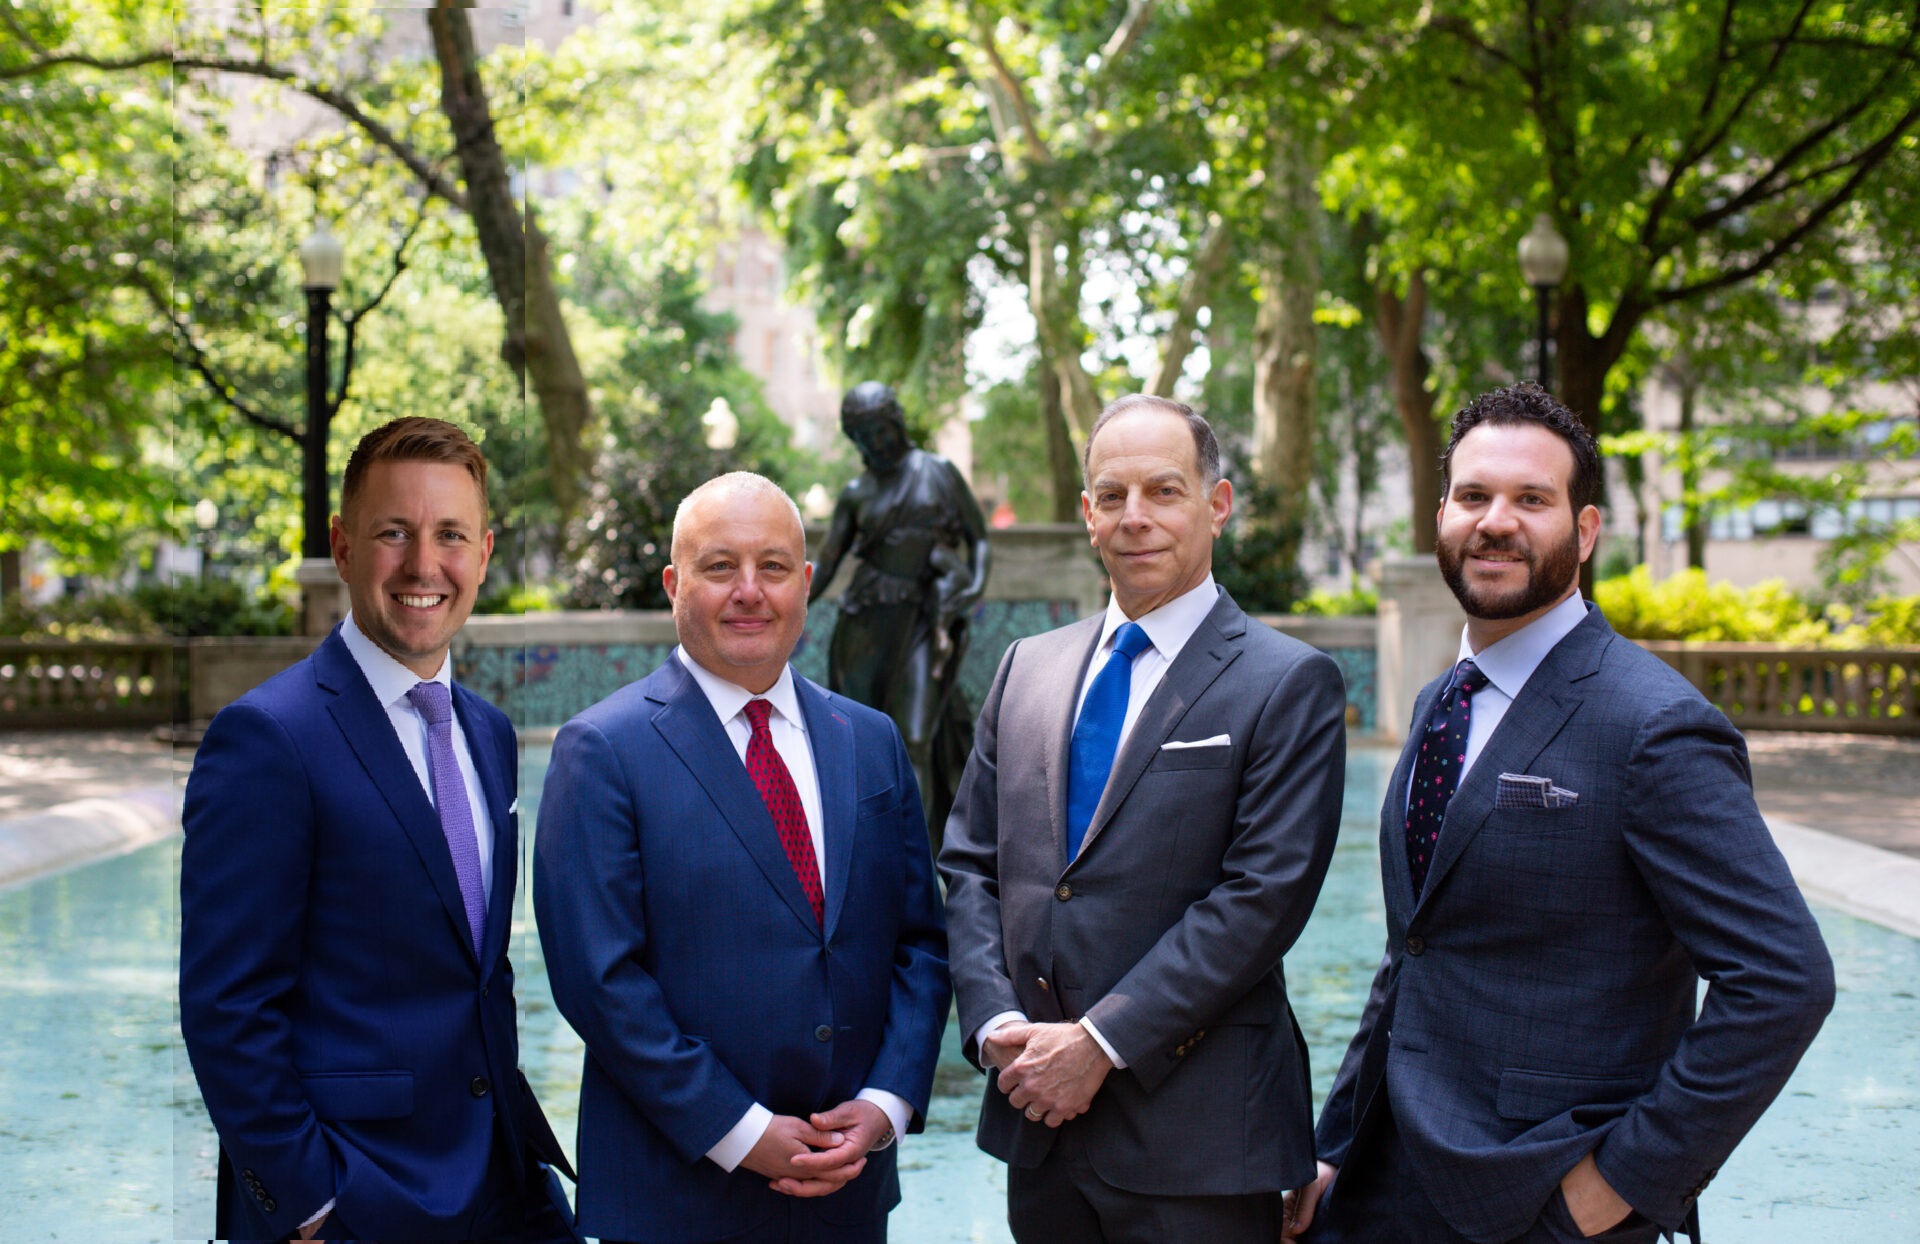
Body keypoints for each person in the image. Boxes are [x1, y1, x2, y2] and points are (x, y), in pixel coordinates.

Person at [1290, 385, 1835, 1244]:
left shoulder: (1653, 725)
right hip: (1380, 1181)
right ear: (1440, 517)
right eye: (1474, 497)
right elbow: (1413, 955)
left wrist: (1616, 1186)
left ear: (1584, 531)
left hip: (1541, 1197)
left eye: (1531, 500)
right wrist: (1333, 1149)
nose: (1495, 521)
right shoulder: (1442, 700)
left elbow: (1783, 982)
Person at [939, 394, 1348, 1242]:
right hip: (1038, 1126)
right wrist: (998, 1026)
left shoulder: (1288, 682)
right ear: (1087, 515)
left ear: (1217, 505)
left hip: (1199, 1139)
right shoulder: (1026, 669)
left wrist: (1099, 1042)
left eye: (1164, 491)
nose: (1138, 518)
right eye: (1113, 497)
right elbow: (971, 865)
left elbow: (1260, 898)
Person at [179, 417, 576, 1241]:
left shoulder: (488, 733)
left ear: (486, 552)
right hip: (354, 1199)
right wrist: (309, 1206)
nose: (424, 565)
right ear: (344, 546)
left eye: (450, 536)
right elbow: (227, 1007)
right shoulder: (268, 738)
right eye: (394, 532)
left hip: (502, 1177)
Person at [534, 472, 950, 1244]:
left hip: (846, 1195)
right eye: (720, 567)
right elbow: (599, 982)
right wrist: (738, 1129)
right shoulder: (602, 751)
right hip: (677, 1198)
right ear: (674, 583)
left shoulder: (871, 741)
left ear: (807, 583)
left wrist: (889, 1102)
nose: (750, 591)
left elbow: (920, 944)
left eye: (774, 566)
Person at [809, 381, 991, 850]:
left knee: (914, 738)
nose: (876, 443)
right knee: (855, 743)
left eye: (880, 430)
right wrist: (789, 603)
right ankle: (866, 853)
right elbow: (828, 561)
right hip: (865, 622)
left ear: (897, 423)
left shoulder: (937, 472)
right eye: (863, 436)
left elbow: (980, 537)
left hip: (920, 621)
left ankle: (919, 862)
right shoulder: (856, 493)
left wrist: (972, 585)